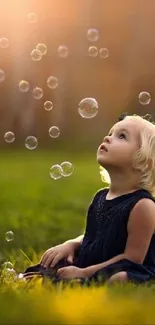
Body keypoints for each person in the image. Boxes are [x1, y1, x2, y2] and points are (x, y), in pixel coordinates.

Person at [22, 113, 155, 286]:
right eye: (110, 133)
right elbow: (93, 236)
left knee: (120, 278)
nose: (108, 138)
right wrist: (71, 244)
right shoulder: (101, 197)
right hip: (98, 261)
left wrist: (84, 272)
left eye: (121, 136)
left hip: (126, 267)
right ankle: (38, 277)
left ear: (144, 161)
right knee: (58, 263)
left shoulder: (143, 206)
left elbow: (132, 259)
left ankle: (82, 279)